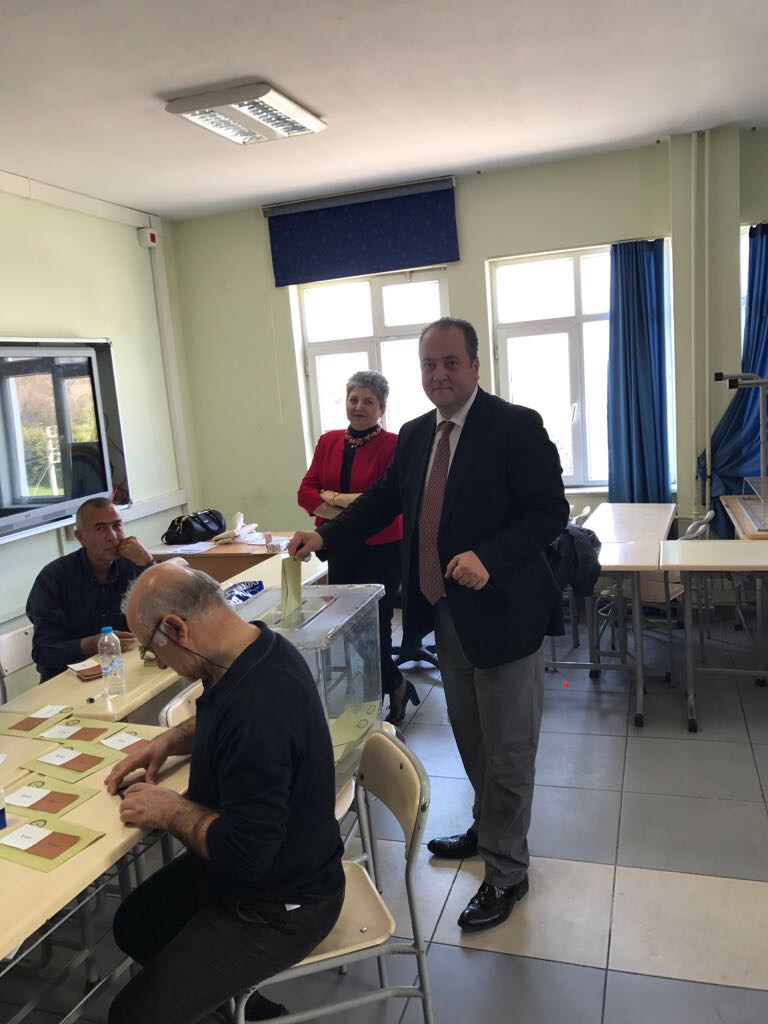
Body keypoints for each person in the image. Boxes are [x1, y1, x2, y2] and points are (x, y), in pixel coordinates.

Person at [290, 317, 569, 932]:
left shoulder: (515, 427)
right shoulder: (417, 435)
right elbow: (382, 502)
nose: (439, 374)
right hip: (446, 612)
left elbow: (551, 511)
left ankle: (508, 871)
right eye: (428, 364)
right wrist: (326, 535)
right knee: (471, 734)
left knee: (508, 748)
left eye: (450, 362)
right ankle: (487, 827)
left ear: (475, 366)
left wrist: (489, 557)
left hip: (506, 616)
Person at [104, 560, 344, 1024]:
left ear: (176, 627)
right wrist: (167, 741)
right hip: (262, 869)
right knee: (136, 924)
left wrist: (170, 809)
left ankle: (234, 1001)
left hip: (282, 904)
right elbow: (222, 716)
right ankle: (238, 1004)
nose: (160, 663)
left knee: (132, 1016)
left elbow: (246, 854)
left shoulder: (260, 709)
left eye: (153, 650)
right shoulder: (255, 649)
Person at [297, 369, 413, 723]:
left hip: (381, 548)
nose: (359, 407)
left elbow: (382, 501)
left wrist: (330, 498)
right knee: (347, 627)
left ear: (382, 409)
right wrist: (349, 506)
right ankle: (395, 683)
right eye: (353, 399)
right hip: (339, 547)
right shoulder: (328, 441)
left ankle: (379, 698)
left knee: (374, 628)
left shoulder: (394, 444)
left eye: (368, 401)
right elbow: (305, 493)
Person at [26, 497, 154, 680]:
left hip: (125, 669)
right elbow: (44, 652)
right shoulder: (54, 578)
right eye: (100, 529)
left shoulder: (134, 564)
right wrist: (92, 644)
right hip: (69, 679)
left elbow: (170, 614)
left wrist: (148, 565)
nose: (113, 536)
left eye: (117, 525)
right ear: (80, 537)